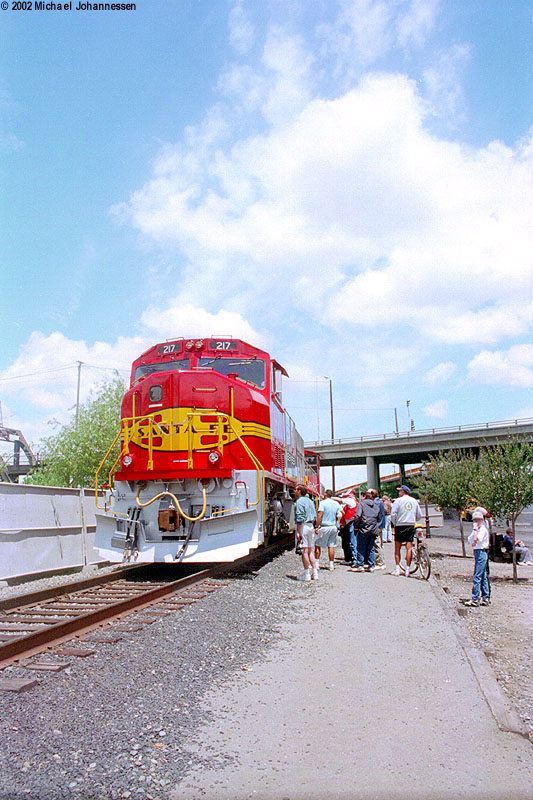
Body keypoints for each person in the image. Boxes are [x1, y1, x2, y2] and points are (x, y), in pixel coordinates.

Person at [390, 485, 422, 576]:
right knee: (409, 547)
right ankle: (407, 569)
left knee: (397, 547)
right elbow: (419, 514)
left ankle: (397, 569)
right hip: (410, 525)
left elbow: (393, 514)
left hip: (400, 525)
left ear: (403, 492)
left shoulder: (398, 501)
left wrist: (395, 523)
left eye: (400, 491)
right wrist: (413, 519)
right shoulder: (414, 501)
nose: (398, 493)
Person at [350, 490, 381, 572]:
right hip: (373, 529)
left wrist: (356, 526)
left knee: (361, 547)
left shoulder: (361, 504)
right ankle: (371, 565)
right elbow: (378, 518)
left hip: (363, 528)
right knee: (371, 548)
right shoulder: (376, 505)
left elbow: (357, 516)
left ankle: (360, 565)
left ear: (365, 497)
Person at [464, 510, 491, 606]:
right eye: (474, 520)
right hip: (477, 552)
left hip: (481, 552)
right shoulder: (477, 529)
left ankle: (475, 598)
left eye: (478, 520)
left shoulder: (482, 529)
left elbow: (476, 539)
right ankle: (485, 597)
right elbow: (470, 539)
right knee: (483, 576)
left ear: (482, 520)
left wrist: (475, 531)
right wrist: (474, 534)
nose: (476, 523)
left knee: (477, 576)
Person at [294, 484, 318, 582]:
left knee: (304, 551)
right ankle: (315, 573)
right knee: (310, 550)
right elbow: (315, 515)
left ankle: (307, 574)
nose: (294, 491)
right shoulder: (310, 501)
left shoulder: (299, 502)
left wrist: (298, 531)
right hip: (311, 525)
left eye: (295, 489)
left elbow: (300, 517)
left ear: (299, 491)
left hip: (304, 526)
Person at [314, 489, 340, 570]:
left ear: (325, 494)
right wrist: (337, 519)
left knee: (317, 545)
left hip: (324, 526)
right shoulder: (336, 503)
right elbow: (341, 513)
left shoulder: (322, 503)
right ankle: (331, 565)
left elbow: (320, 515)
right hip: (333, 526)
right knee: (331, 546)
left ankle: (317, 564)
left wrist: (316, 526)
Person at [336, 491, 358, 565]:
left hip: (350, 524)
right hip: (346, 524)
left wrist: (330, 498)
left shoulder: (351, 501)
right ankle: (350, 558)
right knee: (348, 542)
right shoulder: (347, 505)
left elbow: (349, 517)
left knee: (352, 542)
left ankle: (355, 559)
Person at [367, 489, 386, 569]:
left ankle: (380, 563)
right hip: (380, 525)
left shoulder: (375, 503)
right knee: (379, 544)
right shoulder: (379, 502)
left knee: (377, 544)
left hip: (377, 525)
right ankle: (379, 561)